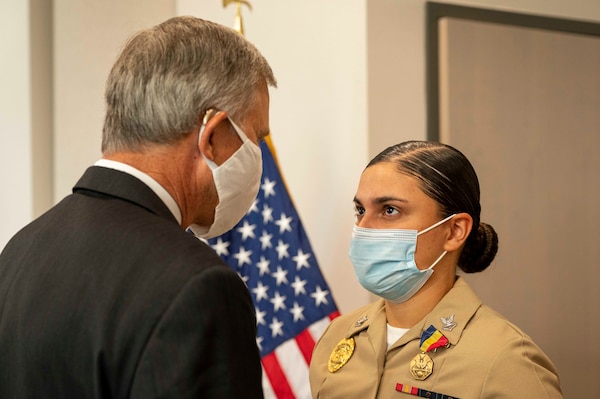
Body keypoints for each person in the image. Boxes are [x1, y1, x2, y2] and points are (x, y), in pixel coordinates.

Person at [0, 16, 276, 398]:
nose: (258, 155)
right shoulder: (198, 287)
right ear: (212, 136)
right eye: (256, 137)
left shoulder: (19, 252)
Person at [309, 141, 563, 398]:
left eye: (389, 210)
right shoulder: (337, 336)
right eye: (360, 210)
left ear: (454, 231)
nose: (363, 227)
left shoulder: (506, 359)